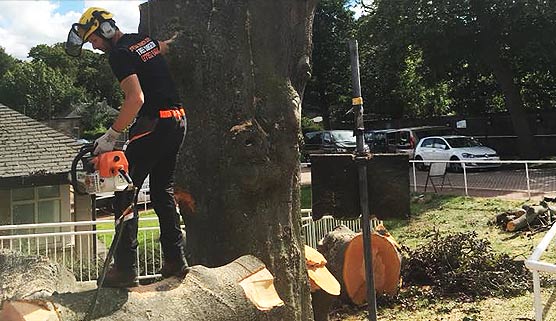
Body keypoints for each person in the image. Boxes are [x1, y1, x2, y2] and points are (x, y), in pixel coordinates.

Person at [65, 7, 189, 287]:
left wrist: (111, 134)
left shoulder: (119, 54)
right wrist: (179, 39)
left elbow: (135, 99)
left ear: (105, 29)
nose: (95, 47)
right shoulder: (142, 40)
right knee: (161, 190)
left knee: (122, 190)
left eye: (94, 39)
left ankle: (125, 269)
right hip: (178, 121)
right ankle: (175, 259)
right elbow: (164, 47)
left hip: (154, 124)